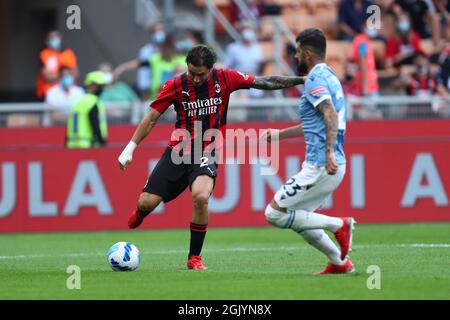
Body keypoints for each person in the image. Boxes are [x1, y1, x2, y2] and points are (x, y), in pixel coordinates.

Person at [117, 45, 305, 270]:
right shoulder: (175, 84)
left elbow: (266, 81)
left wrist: (302, 79)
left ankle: (194, 257)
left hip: (208, 149)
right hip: (179, 151)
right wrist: (130, 148)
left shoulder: (226, 78)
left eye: (201, 74)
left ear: (211, 69)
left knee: (201, 196)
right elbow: (151, 118)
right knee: (147, 201)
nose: (195, 79)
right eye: (191, 73)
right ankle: (142, 211)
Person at [260, 29, 356, 275]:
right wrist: (280, 135)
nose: (295, 56)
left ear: (307, 53)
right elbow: (315, 124)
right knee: (300, 218)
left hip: (322, 165)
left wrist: (328, 153)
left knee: (274, 213)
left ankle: (339, 225)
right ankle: (339, 262)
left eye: (297, 51)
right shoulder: (329, 75)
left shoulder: (315, 79)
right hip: (326, 163)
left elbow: (330, 115)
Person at [66, 71, 108, 148]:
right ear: (93, 86)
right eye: (100, 86)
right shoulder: (93, 102)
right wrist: (101, 141)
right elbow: (95, 124)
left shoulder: (79, 102)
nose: (102, 89)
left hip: (72, 144)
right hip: (87, 145)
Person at [36, 30, 78, 99]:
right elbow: (48, 77)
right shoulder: (44, 54)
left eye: (56, 36)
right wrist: (64, 76)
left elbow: (75, 73)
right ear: (47, 40)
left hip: (68, 92)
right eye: (51, 37)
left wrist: (57, 76)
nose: (54, 39)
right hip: (48, 92)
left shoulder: (68, 53)